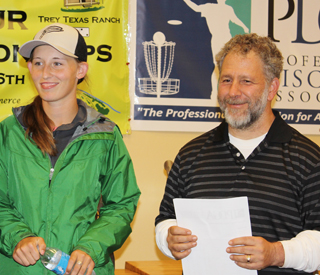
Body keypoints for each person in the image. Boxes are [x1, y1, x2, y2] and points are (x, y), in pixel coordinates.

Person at [155, 33, 320, 274]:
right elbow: (165, 220)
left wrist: (276, 253)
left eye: (246, 81)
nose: (233, 92)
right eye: (226, 80)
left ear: (272, 87)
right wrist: (168, 239)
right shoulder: (191, 155)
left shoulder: (308, 159)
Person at [0, 23, 140, 275]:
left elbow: (121, 205)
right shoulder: (8, 132)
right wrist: (17, 237)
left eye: (57, 63)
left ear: (80, 70)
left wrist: (90, 248)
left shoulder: (106, 135)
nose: (45, 73)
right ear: (29, 67)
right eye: (38, 63)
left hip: (81, 270)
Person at [183, 0, 249, 99]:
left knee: (231, 69)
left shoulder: (228, 8)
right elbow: (196, 8)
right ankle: (215, 93)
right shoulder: (209, 7)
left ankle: (232, 94)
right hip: (217, 40)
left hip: (228, 39)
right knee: (217, 68)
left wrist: (244, 27)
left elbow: (235, 19)